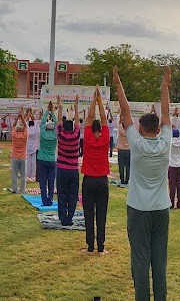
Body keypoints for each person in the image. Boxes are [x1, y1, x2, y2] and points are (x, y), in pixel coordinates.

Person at [116, 65, 171, 300]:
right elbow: (166, 112)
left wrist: (118, 84)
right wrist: (164, 86)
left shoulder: (136, 144)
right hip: (161, 208)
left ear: (140, 128)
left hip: (139, 209)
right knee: (159, 260)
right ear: (158, 129)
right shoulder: (166, 142)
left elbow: (125, 110)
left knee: (140, 260)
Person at [81, 88, 111, 254]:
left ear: (91, 129)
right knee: (101, 215)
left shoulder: (88, 138)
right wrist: (100, 102)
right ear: (101, 129)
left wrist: (94, 99)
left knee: (88, 215)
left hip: (88, 180)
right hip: (102, 181)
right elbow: (103, 118)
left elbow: (90, 117)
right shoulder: (105, 138)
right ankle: (101, 247)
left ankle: (90, 247)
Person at [56, 96, 80, 225]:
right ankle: (69, 218)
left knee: (62, 194)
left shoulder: (61, 135)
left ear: (64, 128)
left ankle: (62, 218)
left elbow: (59, 122)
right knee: (72, 196)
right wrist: (76, 108)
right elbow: (77, 124)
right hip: (73, 170)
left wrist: (60, 107)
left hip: (61, 169)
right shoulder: (76, 137)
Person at [37, 102, 58, 207]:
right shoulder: (55, 136)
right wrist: (52, 112)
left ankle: (44, 200)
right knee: (51, 181)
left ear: (45, 128)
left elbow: (42, 122)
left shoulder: (43, 134)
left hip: (42, 159)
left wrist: (47, 111)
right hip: (52, 160)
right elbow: (57, 124)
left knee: (43, 182)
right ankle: (50, 199)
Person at [10, 109, 29, 194]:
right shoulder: (25, 136)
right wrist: (22, 117)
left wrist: (18, 118)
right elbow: (26, 126)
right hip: (23, 157)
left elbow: (13, 126)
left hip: (15, 157)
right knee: (23, 175)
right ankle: (23, 189)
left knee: (14, 174)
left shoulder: (14, 135)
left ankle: (15, 189)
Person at [168, 126, 180, 209]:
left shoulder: (170, 142)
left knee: (172, 186)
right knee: (179, 186)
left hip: (172, 165)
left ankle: (171, 203)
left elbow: (168, 135)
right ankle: (179, 204)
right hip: (179, 165)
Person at [26, 109, 39, 182]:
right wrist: (31, 113)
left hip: (28, 148)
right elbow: (36, 121)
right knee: (34, 163)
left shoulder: (27, 129)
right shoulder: (35, 129)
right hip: (34, 148)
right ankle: (33, 175)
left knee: (28, 162)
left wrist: (28, 114)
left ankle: (28, 175)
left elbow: (26, 121)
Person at [116, 118, 131, 186]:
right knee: (128, 166)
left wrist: (121, 113)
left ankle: (122, 180)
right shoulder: (129, 132)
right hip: (128, 150)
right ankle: (127, 180)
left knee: (121, 166)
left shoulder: (120, 129)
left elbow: (119, 122)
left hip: (121, 150)